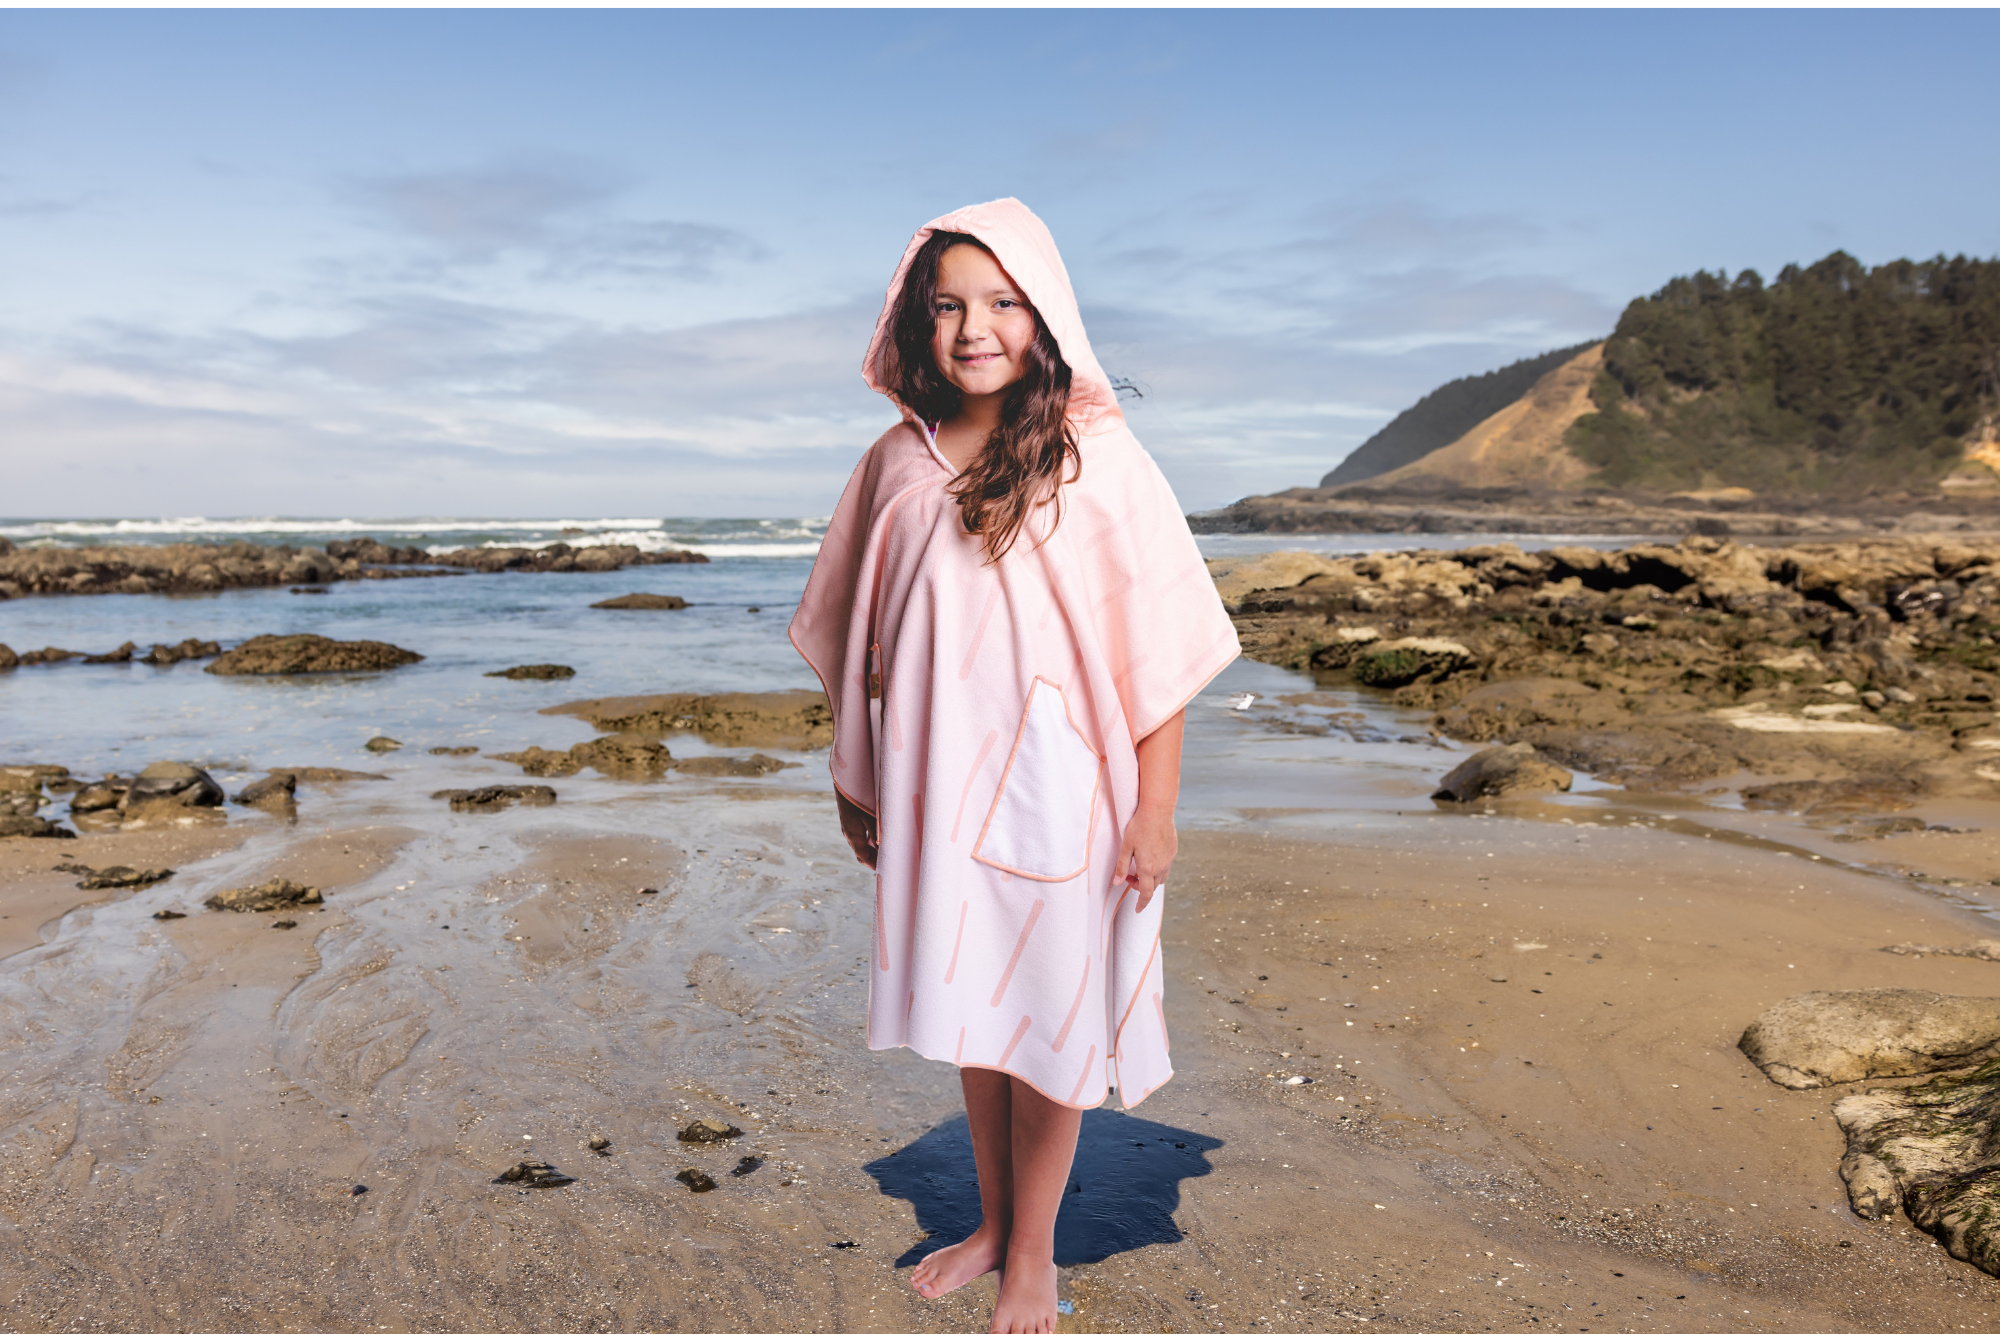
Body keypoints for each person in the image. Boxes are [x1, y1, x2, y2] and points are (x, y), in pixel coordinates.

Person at [789, 198, 1238, 1334]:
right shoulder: (897, 462)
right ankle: (990, 1222)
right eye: (946, 304)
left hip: (1068, 790)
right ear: (914, 321)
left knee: (1045, 1016)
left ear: (1042, 318)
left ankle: (1031, 1254)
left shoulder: (1101, 465)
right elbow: (856, 633)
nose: (971, 326)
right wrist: (859, 776)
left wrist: (1157, 809)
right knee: (979, 1011)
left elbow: (1160, 652)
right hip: (938, 789)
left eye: (998, 301)